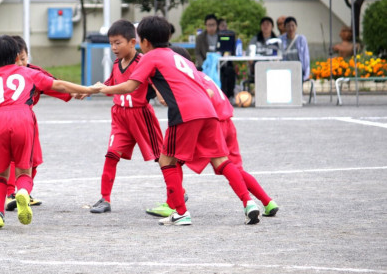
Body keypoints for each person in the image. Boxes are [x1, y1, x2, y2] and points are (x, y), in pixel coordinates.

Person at [96, 16, 261, 226]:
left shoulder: (150, 57)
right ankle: (249, 203)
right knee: (220, 160)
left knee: (166, 160)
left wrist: (103, 89)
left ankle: (181, 212)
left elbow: (130, 86)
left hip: (185, 113)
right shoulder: (181, 58)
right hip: (209, 111)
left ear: (145, 41)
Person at [0, 35, 100, 229]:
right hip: (23, 118)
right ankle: (22, 191)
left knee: (0, 174)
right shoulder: (28, 73)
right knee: (25, 170)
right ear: (17, 56)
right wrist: (89, 89)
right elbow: (58, 85)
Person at [0, 35, 70, 212]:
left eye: (24, 60)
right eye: (19, 60)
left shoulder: (32, 72)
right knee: (14, 161)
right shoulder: (3, 79)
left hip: (19, 120)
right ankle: (13, 194)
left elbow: (55, 85)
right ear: (13, 57)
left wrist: (76, 93)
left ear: (26, 57)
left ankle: (21, 193)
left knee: (33, 159)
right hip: (20, 120)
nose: (20, 64)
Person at [169, 46, 279, 219]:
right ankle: (267, 201)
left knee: (172, 159)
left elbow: (207, 95)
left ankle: (174, 202)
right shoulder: (202, 74)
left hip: (212, 125)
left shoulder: (189, 79)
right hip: (227, 122)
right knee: (234, 169)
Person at [87, 19, 163, 214]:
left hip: (141, 116)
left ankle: (179, 191)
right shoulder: (116, 63)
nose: (113, 47)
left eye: (118, 42)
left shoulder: (143, 62)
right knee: (111, 155)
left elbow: (154, 81)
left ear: (132, 42)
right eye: (111, 43)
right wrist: (88, 91)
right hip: (120, 117)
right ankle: (105, 199)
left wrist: (162, 94)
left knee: (161, 156)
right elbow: (110, 84)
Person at [195, 14, 236, 100]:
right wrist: (203, 64)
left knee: (229, 71)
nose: (211, 27)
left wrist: (226, 55)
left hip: (221, 63)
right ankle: (202, 97)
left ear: (217, 25)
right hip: (206, 64)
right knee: (198, 71)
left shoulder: (223, 36)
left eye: (213, 25)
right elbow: (198, 53)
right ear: (205, 25)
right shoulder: (200, 38)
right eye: (209, 25)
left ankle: (227, 96)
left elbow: (228, 49)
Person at [247, 16, 279, 84]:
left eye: (268, 24)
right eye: (263, 24)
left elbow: (280, 56)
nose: (265, 26)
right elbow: (249, 56)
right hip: (258, 67)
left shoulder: (276, 41)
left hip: (272, 68)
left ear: (272, 27)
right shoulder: (255, 39)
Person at [279, 16, 311, 81]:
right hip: (285, 72)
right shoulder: (280, 39)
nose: (291, 28)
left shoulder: (301, 39)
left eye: (293, 25)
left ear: (296, 26)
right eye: (288, 26)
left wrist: (306, 75)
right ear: (285, 27)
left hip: (298, 71)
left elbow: (306, 56)